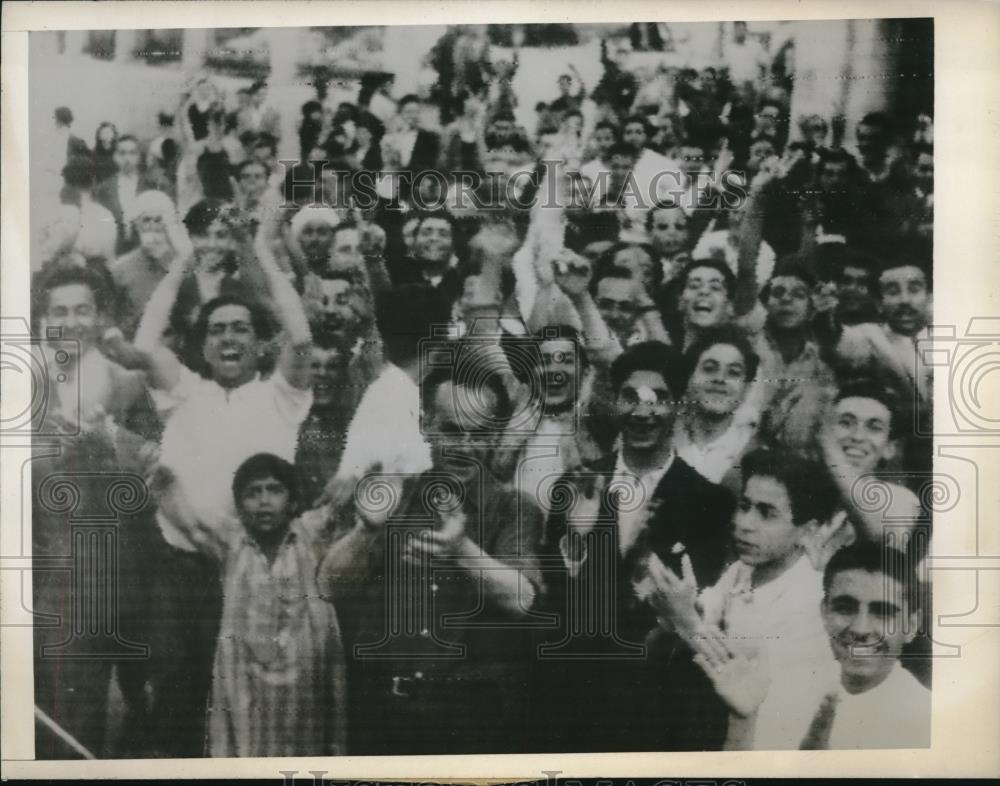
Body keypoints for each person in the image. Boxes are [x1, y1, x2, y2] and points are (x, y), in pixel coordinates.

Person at [319, 361, 545, 754]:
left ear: (495, 437)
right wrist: (366, 531)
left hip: (471, 721)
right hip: (384, 717)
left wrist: (461, 550)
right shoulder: (395, 495)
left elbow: (523, 599)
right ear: (425, 424)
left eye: (479, 435)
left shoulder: (514, 508)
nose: (464, 446)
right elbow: (328, 586)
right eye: (452, 431)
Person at [537, 341, 735, 752]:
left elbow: (690, 613)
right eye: (631, 397)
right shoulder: (575, 486)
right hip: (572, 699)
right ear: (615, 404)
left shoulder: (709, 502)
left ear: (679, 406)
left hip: (655, 707)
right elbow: (555, 599)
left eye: (659, 399)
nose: (644, 413)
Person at [153, 453, 347, 757]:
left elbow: (352, 506)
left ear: (293, 501)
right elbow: (189, 520)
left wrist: (359, 476)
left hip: (304, 683)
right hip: (244, 681)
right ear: (241, 508)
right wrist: (162, 477)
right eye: (253, 493)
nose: (264, 501)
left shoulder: (312, 535)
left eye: (274, 490)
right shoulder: (231, 543)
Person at [652, 448, 842, 750]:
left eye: (767, 513)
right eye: (744, 505)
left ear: (808, 531)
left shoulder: (810, 601)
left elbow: (753, 697)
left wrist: (685, 620)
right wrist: (676, 606)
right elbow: (702, 615)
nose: (744, 522)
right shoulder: (743, 571)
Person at [700, 542, 929, 750]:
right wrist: (743, 721)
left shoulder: (926, 718)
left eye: (883, 613)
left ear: (911, 625)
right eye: (845, 608)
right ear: (824, 613)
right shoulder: (782, 685)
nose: (860, 629)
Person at [674, 326, 759, 488]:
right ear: (689, 379)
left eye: (733, 373)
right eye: (709, 369)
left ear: (746, 388)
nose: (720, 379)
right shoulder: (662, 436)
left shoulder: (752, 449)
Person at [93, 135, 162, 255]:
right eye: (122, 153)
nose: (127, 158)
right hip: (114, 251)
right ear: (115, 156)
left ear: (139, 157)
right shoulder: (103, 189)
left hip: (145, 251)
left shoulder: (150, 185)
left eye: (132, 153)